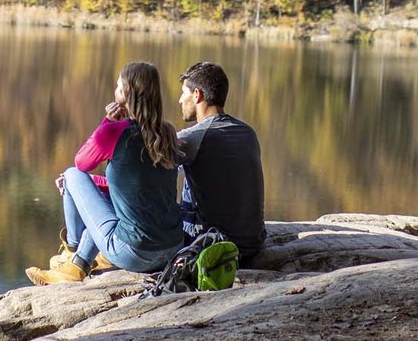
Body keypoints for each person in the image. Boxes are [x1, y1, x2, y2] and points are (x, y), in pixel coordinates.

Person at [26, 61, 183, 285]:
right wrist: (93, 184)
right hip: (171, 249)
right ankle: (80, 260)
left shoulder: (115, 131)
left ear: (127, 93)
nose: (115, 90)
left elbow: (81, 162)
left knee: (72, 176)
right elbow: (136, 188)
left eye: (119, 87)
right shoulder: (167, 133)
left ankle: (72, 257)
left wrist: (106, 122)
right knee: (96, 188)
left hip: (134, 254)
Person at [174, 61, 265, 264]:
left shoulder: (193, 137)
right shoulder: (248, 132)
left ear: (197, 95)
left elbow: (147, 169)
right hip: (253, 245)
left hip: (210, 245)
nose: (180, 100)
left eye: (183, 93)